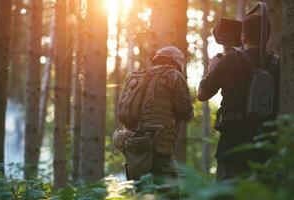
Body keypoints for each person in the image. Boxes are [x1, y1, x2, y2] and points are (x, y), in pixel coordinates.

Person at [197, 15, 279, 180]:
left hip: (232, 146)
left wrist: (213, 68)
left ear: (243, 36)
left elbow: (202, 94)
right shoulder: (277, 64)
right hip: (266, 145)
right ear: (267, 36)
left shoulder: (230, 60)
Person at [114, 46, 193, 182]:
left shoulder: (137, 77)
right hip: (157, 146)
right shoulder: (173, 75)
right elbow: (186, 112)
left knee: (140, 192)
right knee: (168, 193)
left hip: (133, 144)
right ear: (177, 62)